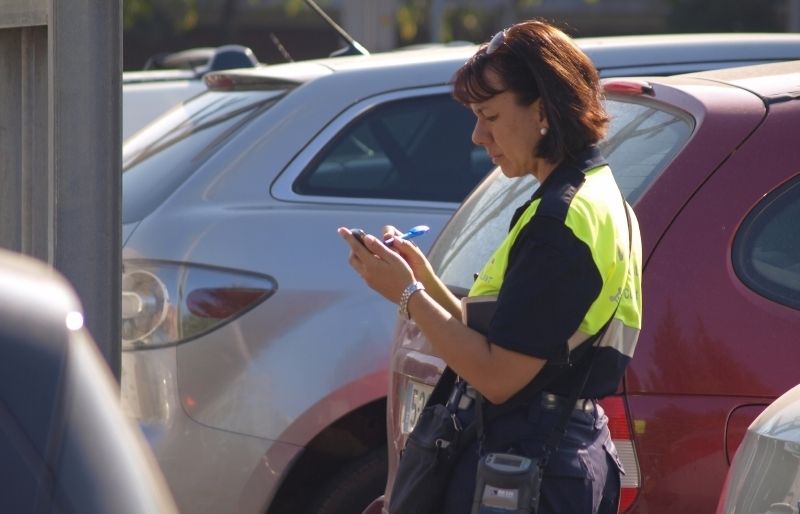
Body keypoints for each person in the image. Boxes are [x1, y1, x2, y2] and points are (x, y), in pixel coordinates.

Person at [338, 19, 642, 514]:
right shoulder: (596, 195)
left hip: (532, 463)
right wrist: (421, 280)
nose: (479, 135)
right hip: (551, 453)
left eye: (490, 114)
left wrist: (407, 296)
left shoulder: (560, 220)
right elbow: (503, 336)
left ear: (542, 108)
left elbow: (499, 375)